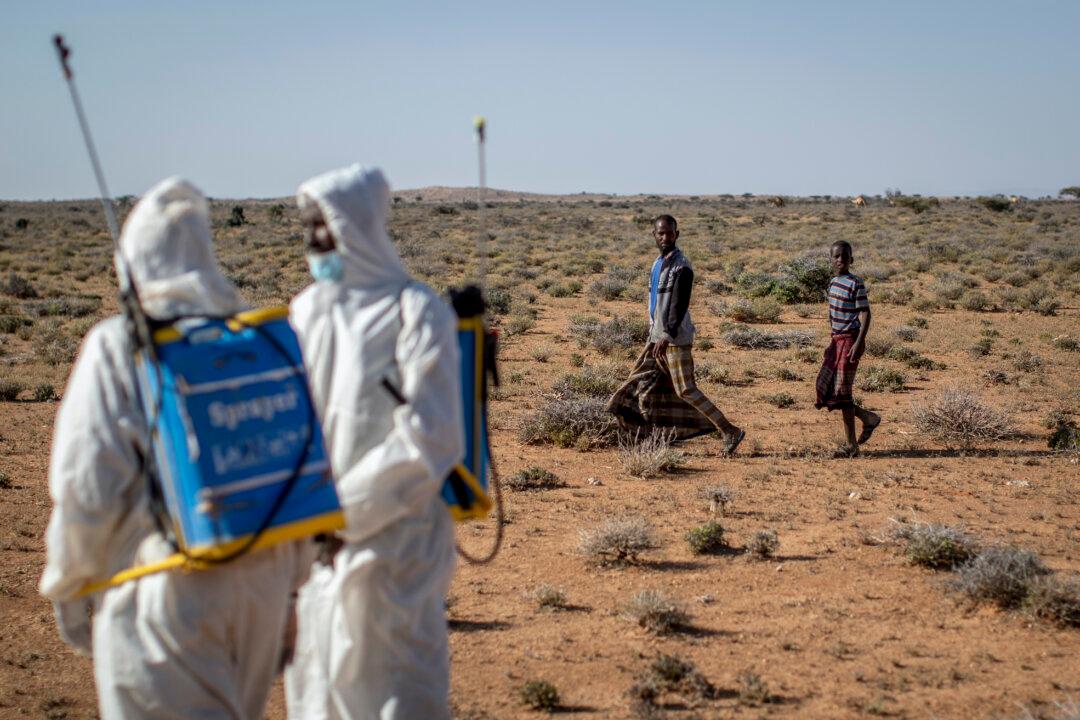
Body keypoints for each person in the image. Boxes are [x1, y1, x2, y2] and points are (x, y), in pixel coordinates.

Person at [39, 177, 314, 719]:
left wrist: (69, 581)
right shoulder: (259, 343)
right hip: (264, 578)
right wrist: (289, 591)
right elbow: (292, 464)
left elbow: (88, 482)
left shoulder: (120, 345)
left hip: (164, 587)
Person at [284, 165, 463, 720]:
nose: (315, 239)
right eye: (309, 226)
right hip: (315, 548)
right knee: (319, 692)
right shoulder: (306, 311)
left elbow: (431, 437)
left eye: (325, 225)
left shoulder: (417, 310)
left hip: (395, 545)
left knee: (397, 694)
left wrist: (340, 513)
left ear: (356, 226)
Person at [607, 214, 745, 452]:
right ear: (654, 235)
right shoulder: (657, 264)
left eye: (669, 233)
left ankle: (728, 430)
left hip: (673, 339)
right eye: (660, 233)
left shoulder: (682, 266)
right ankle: (644, 435)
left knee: (685, 390)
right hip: (655, 337)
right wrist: (656, 335)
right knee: (641, 383)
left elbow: (678, 306)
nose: (665, 237)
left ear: (676, 234)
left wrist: (666, 335)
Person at [815, 240, 881, 455]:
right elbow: (832, 313)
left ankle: (852, 446)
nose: (841, 260)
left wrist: (860, 341)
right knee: (824, 386)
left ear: (851, 260)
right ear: (831, 259)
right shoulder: (833, 282)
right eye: (836, 256)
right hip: (837, 340)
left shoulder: (856, 283)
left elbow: (865, 312)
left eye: (845, 256)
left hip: (850, 339)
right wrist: (833, 338)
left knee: (843, 392)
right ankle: (868, 417)